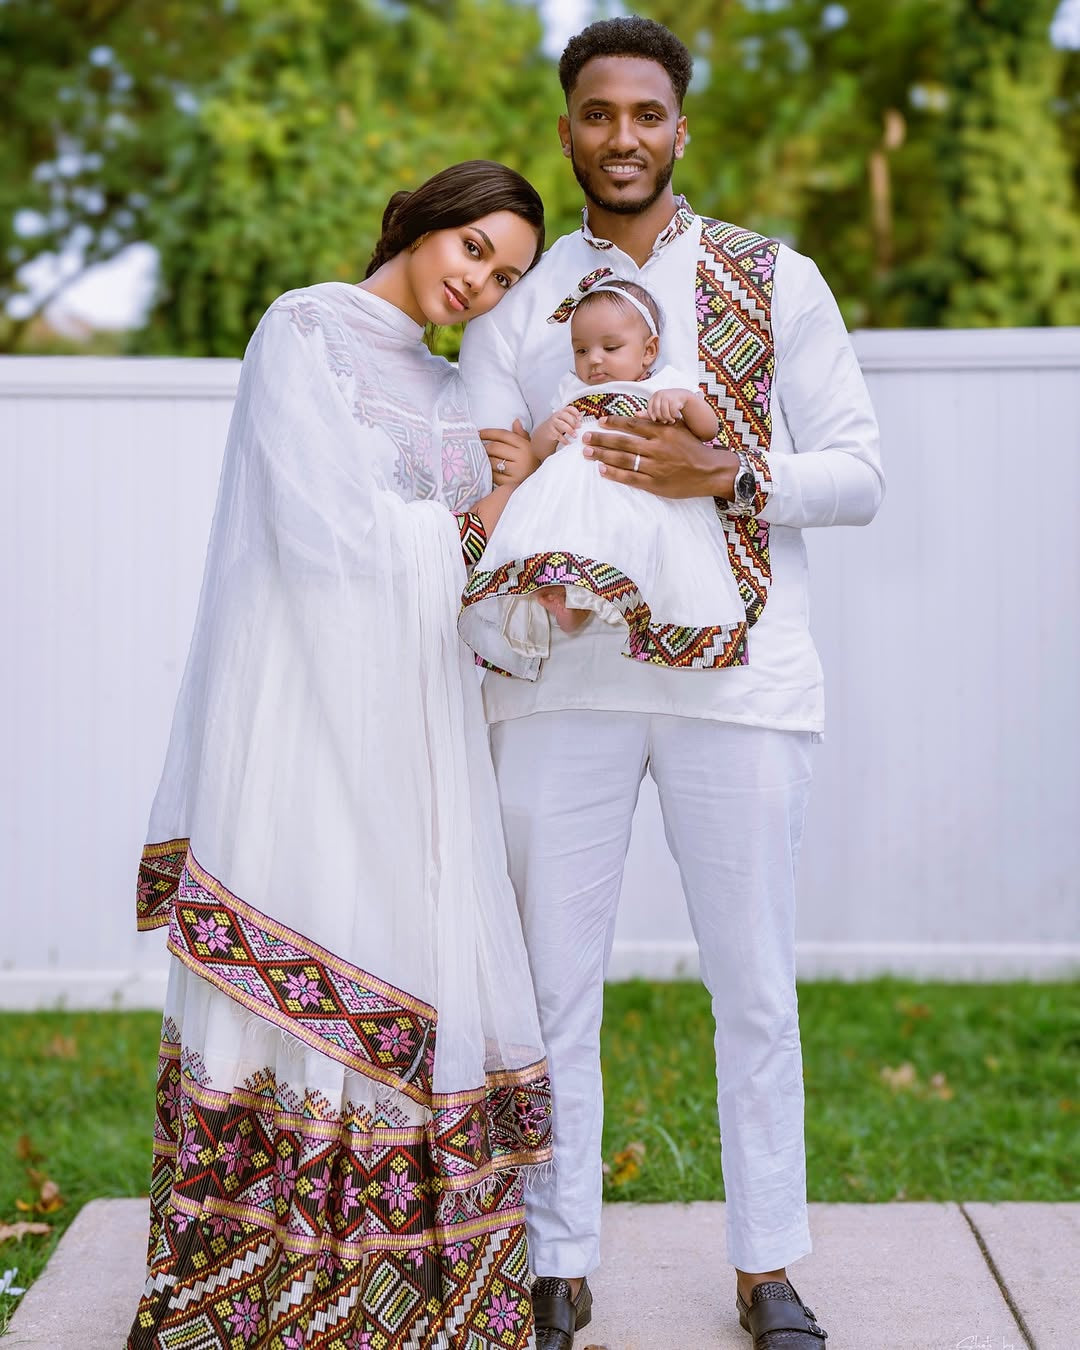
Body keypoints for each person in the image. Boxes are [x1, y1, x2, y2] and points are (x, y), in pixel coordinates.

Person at [460, 18, 885, 1350]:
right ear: (571, 127)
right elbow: (482, 485)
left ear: (680, 126)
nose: (624, 136)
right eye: (598, 114)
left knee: (755, 982)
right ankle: (555, 1255)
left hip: (740, 685)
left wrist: (739, 474)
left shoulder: (774, 278)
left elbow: (863, 471)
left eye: (648, 113)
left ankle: (768, 1266)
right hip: (560, 684)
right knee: (548, 985)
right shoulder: (522, 300)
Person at [127, 161, 555, 1350]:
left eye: (507, 274)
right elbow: (319, 533)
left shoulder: (459, 382)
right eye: (474, 249)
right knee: (317, 918)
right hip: (302, 708)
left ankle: (404, 1297)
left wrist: (519, 520)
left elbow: (474, 567)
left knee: (411, 944)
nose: (480, 283)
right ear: (421, 224)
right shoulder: (303, 328)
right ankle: (255, 1293)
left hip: (417, 716)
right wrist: (471, 516)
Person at [459, 277, 749, 678]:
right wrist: (550, 429)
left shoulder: (662, 386)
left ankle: (641, 612)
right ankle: (566, 601)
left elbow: (708, 428)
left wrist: (681, 402)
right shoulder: (571, 388)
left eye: (610, 348)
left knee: (644, 546)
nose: (594, 360)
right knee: (562, 541)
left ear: (649, 351)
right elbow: (542, 450)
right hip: (574, 490)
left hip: (639, 489)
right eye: (581, 349)